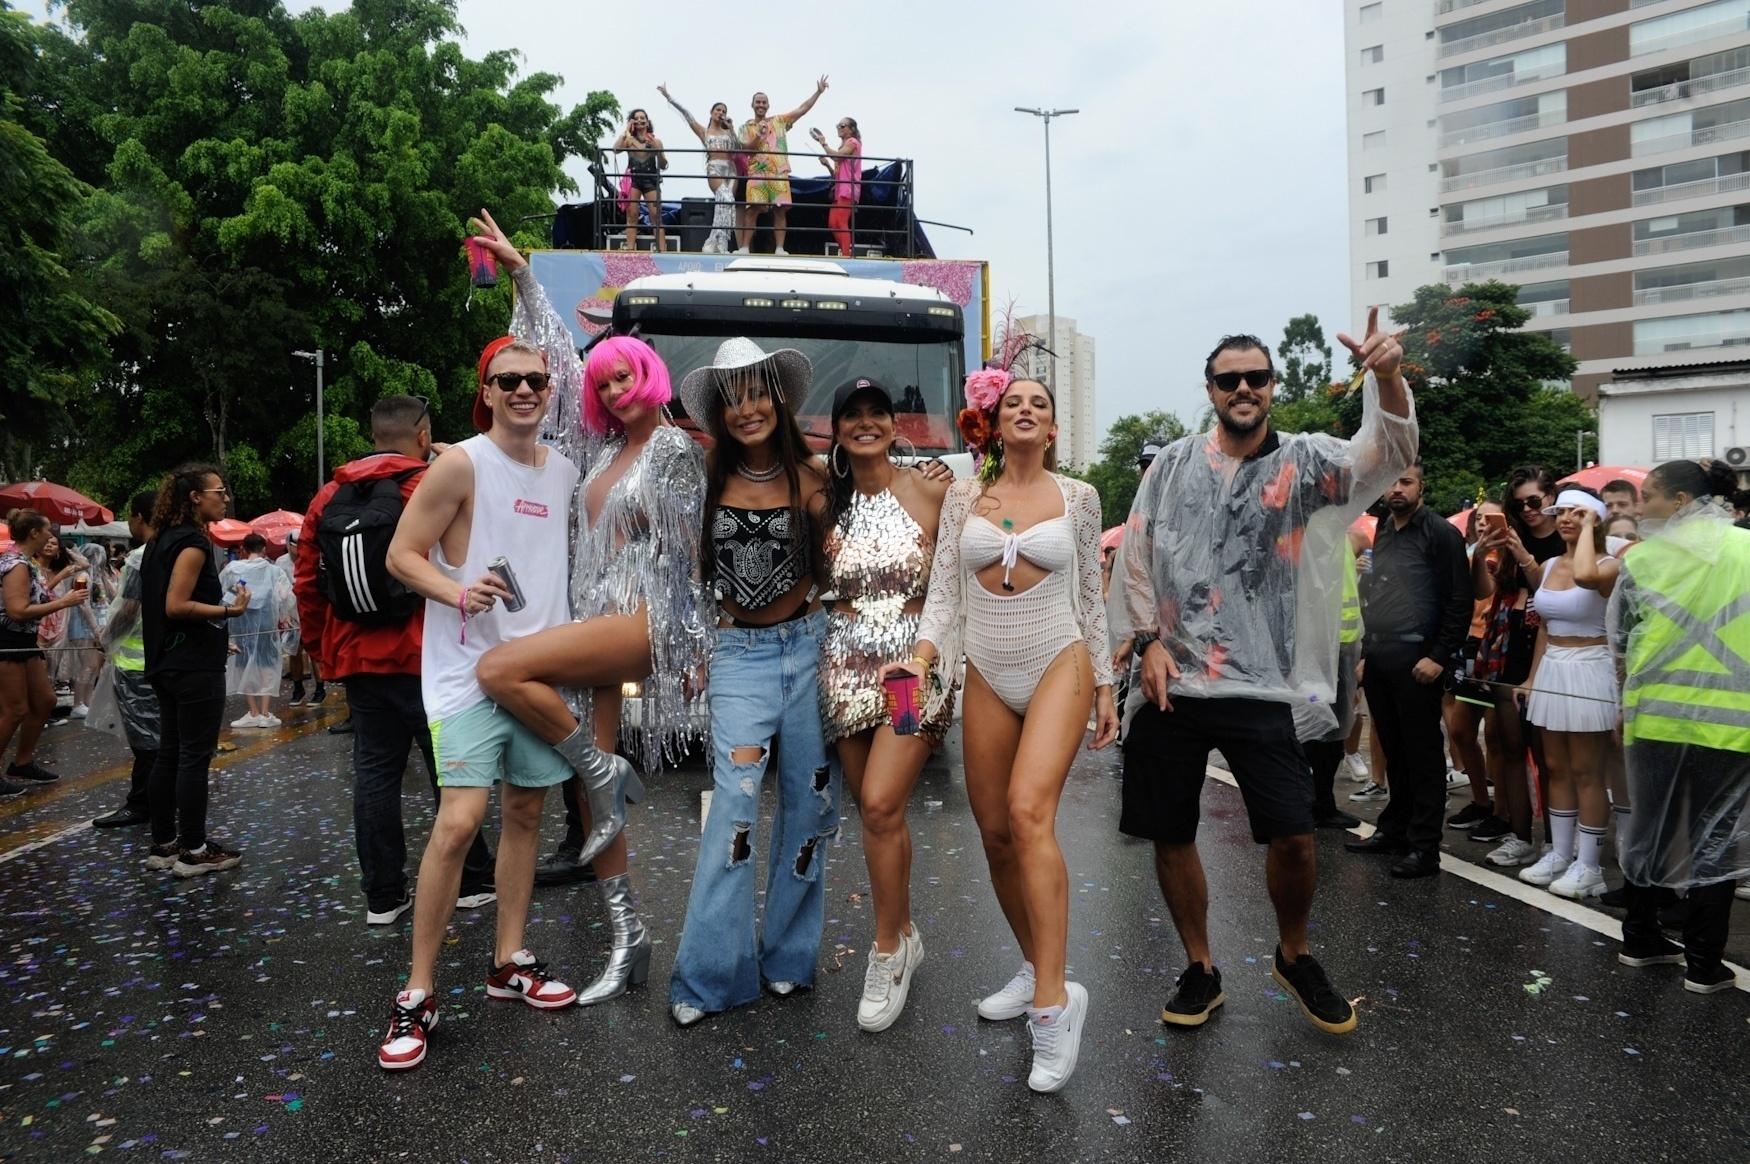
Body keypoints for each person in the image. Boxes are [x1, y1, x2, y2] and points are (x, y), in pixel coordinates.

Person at [1119, 314, 1417, 1037]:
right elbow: (1137, 551)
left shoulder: (1308, 461)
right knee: (1171, 829)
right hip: (1176, 681)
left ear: (1273, 388)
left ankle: (1295, 951)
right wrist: (1146, 643)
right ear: (1211, 390)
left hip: (1263, 683)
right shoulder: (1173, 464)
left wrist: (1386, 376)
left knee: (1293, 834)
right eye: (1230, 379)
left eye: (1256, 377)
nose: (1243, 388)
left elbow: (1388, 453)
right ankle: (1200, 966)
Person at [471, 208, 710, 1006]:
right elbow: (557, 370)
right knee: (592, 799)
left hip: (644, 624)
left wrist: (694, 651)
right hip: (591, 619)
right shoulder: (600, 451)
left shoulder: (673, 449)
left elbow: (688, 559)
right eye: (604, 380)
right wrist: (522, 274)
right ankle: (628, 937)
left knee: (501, 668)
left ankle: (602, 765)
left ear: (649, 374)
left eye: (623, 374)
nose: (610, 387)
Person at [891, 369, 1117, 1093]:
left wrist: (1107, 682)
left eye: (1040, 404)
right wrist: (921, 658)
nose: (1026, 409)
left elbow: (1091, 597)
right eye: (1013, 401)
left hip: (1059, 656)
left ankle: (1053, 1007)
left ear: (1053, 428)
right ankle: (1033, 967)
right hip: (985, 663)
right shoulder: (964, 497)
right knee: (992, 831)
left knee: (1027, 814)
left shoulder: (1078, 497)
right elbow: (943, 597)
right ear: (993, 420)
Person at [376, 334, 583, 1072]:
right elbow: (402, 555)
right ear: (487, 393)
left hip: (537, 672)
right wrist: (459, 592)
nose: (523, 390)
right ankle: (418, 993)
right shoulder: (460, 462)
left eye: (534, 379)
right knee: (460, 821)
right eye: (508, 381)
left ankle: (508, 961)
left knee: (527, 811)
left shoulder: (561, 469)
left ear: (548, 389)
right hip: (466, 673)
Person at [668, 337, 836, 1028]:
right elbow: (682, 576)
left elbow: (850, 566)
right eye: (732, 399)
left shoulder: (819, 477)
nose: (747, 409)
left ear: (781, 398)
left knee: (809, 809)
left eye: (757, 393)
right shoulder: (702, 481)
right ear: (719, 411)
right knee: (733, 814)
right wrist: (688, 651)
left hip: (811, 646)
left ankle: (789, 959)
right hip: (738, 654)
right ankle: (709, 977)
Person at [295, 393, 497, 927]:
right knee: (451, 772)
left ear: (374, 433)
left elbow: (307, 584)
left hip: (357, 657)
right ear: (423, 437)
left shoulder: (328, 497)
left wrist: (321, 651)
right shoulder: (429, 485)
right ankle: (474, 880)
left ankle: (383, 895)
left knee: (375, 775)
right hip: (426, 654)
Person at [816, 376, 952, 1032]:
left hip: (908, 669)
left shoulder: (931, 488)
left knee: (878, 801)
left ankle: (888, 950)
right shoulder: (821, 497)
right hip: (842, 667)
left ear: (895, 425)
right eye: (854, 415)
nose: (866, 424)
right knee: (877, 817)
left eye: (878, 414)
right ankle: (904, 929)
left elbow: (967, 567)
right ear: (839, 430)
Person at [1610, 459, 1748, 993]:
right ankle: (1703, 964)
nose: (1641, 506)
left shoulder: (1640, 561)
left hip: (1657, 721)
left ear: (1684, 501)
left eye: (1650, 495)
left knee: (1650, 829)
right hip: (1732, 725)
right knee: (1716, 839)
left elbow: (1620, 642)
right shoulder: (1748, 550)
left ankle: (1640, 938)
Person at [1344, 463, 1472, 878]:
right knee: (1394, 751)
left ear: (1422, 486)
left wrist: (1439, 656)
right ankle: (1394, 829)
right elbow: (1383, 595)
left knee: (1423, 755)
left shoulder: (1440, 533)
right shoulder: (1382, 529)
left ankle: (1424, 847)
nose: (1397, 490)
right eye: (1391, 483)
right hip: (1381, 654)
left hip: (1419, 655)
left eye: (1406, 482)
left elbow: (1459, 600)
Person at [140, 465, 250, 877]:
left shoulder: (158, 542)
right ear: (194, 498)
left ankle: (165, 842)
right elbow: (177, 605)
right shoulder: (192, 543)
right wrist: (229, 610)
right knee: (192, 756)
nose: (225, 498)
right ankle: (194, 848)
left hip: (166, 662)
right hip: (192, 664)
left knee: (170, 752)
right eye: (218, 492)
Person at [1516, 487, 1620, 900]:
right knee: (1555, 767)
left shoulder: (1609, 565)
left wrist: (1592, 529)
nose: (1565, 519)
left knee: (1587, 772)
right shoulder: (1547, 564)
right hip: (1554, 669)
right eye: (1560, 512)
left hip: (1591, 670)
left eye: (1577, 513)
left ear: (1595, 518)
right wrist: (1530, 677)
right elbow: (1544, 626)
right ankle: (1560, 853)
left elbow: (1585, 578)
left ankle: (1590, 865)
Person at [1466, 465, 1566, 864]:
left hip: (1548, 650)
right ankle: (1519, 836)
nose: (1527, 510)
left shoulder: (1566, 540)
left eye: (1534, 501)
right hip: (1506, 645)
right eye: (1518, 503)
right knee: (1510, 747)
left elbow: (1551, 594)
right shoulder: (1509, 540)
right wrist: (1481, 552)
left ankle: (1557, 845)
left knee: (1548, 757)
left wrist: (1523, 556)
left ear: (1551, 498)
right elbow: (1482, 591)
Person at [0, 509, 90, 792]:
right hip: (9, 641)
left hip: (25, 641)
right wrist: (64, 603)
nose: (52, 535)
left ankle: (23, 762)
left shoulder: (26, 563)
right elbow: (17, 611)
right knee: (15, 710)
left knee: (45, 700)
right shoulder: (17, 565)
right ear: (34, 533)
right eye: (48, 530)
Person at [90, 493, 163, 826]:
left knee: (146, 741)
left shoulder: (138, 558)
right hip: (168, 658)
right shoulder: (179, 552)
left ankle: (143, 804)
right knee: (163, 736)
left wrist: (105, 639)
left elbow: (129, 608)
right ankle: (162, 798)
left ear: (138, 517)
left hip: (136, 664)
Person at [1445, 501, 1507, 835]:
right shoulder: (1471, 556)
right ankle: (1481, 802)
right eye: (1479, 518)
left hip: (1498, 649)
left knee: (1497, 736)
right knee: (1459, 730)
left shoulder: (1512, 556)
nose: (1484, 523)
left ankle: (1501, 812)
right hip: (1469, 646)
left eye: (1491, 517)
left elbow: (1491, 591)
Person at [1303, 524, 1368, 830]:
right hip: (1311, 652)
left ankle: (1323, 802)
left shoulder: (1351, 538)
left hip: (1344, 650)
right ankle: (1309, 800)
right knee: (1310, 727)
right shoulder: (1299, 538)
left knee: (1336, 730)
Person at [735, 78, 829, 255]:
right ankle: (745, 248)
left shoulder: (779, 121)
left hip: (778, 171)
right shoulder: (745, 127)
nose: (761, 105)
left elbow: (801, 110)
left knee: (780, 210)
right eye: (758, 102)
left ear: (768, 105)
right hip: (757, 171)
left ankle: (780, 248)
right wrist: (759, 134)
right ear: (752, 105)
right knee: (752, 209)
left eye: (764, 102)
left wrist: (818, 92)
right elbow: (746, 149)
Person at [220, 533, 292, 729]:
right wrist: (286, 618)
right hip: (267, 626)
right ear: (264, 549)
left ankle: (253, 712)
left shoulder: (232, 570)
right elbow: (286, 597)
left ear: (243, 549)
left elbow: (223, 596)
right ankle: (266, 713)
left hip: (241, 624)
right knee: (267, 665)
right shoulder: (274, 571)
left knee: (244, 663)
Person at [658, 84, 737, 254]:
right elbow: (687, 115)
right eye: (718, 110)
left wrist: (732, 129)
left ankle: (720, 243)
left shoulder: (729, 131)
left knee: (727, 204)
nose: (721, 113)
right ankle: (715, 241)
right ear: (711, 112)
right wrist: (669, 97)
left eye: (724, 110)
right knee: (725, 198)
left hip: (731, 170)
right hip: (714, 167)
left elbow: (738, 148)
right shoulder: (704, 131)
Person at [280, 529, 326, 707]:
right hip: (291, 614)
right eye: (295, 544)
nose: (299, 548)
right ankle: (297, 687)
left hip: (311, 612)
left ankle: (320, 688)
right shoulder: (281, 563)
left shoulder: (314, 559)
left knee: (314, 652)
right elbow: (279, 589)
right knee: (294, 651)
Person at [614, 109, 667, 253]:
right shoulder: (628, 140)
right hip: (634, 179)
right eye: (635, 118)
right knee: (632, 214)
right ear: (632, 122)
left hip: (651, 179)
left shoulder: (656, 141)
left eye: (642, 118)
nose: (639, 121)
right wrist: (626, 130)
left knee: (655, 215)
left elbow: (663, 165)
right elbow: (615, 149)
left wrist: (658, 151)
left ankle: (662, 250)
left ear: (647, 121)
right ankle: (630, 248)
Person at [812, 117, 862, 257]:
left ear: (851, 129)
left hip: (848, 189)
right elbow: (837, 174)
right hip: (840, 189)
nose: (839, 128)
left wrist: (824, 144)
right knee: (833, 224)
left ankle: (846, 255)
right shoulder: (844, 145)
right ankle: (846, 252)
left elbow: (837, 157)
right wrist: (827, 165)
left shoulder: (852, 142)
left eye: (842, 125)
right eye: (838, 125)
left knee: (840, 222)